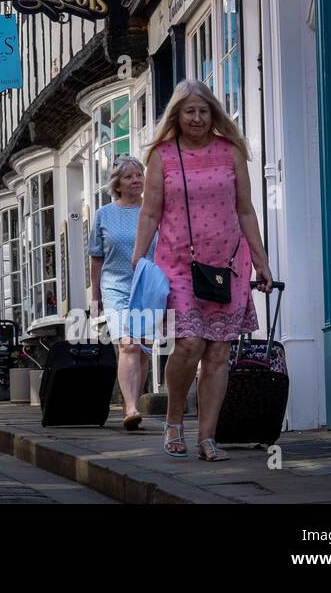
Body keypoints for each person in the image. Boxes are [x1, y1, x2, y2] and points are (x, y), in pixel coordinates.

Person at [131, 79, 273, 462]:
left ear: (214, 114)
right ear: (177, 115)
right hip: (177, 262)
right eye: (189, 111)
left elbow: (245, 209)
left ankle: (208, 437)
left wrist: (261, 262)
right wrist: (139, 258)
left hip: (228, 263)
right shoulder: (163, 155)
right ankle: (175, 420)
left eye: (204, 110)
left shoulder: (231, 152)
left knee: (218, 353)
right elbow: (150, 212)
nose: (197, 117)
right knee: (190, 343)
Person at [88, 155, 157, 431]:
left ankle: (134, 403)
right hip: (115, 286)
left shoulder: (153, 211)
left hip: (147, 285)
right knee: (127, 344)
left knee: (143, 349)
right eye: (129, 176)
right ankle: (129, 408)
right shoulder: (104, 215)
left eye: (139, 175)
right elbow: (96, 257)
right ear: (117, 183)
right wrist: (96, 298)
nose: (136, 180)